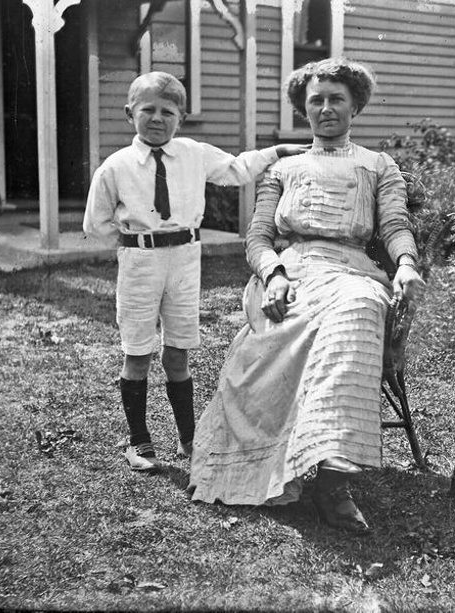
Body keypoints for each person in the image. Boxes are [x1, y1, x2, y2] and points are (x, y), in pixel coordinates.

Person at [187, 57, 426, 533]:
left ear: (355, 105)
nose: (326, 108)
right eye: (315, 100)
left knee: (359, 307)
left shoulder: (378, 165)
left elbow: (395, 226)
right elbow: (256, 237)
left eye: (336, 98)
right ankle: (268, 465)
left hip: (351, 269)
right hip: (289, 272)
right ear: (304, 109)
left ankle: (333, 482)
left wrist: (404, 264)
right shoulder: (285, 167)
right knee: (275, 333)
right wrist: (274, 274)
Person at [83, 71, 307, 473]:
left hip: (185, 259)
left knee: (178, 349)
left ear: (180, 118)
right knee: (138, 351)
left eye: (167, 112)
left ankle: (189, 437)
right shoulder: (114, 168)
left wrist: (277, 151)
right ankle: (139, 441)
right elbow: (96, 225)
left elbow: (237, 169)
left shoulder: (193, 153)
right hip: (139, 262)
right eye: (147, 109)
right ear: (128, 112)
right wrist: (133, 240)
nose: (157, 118)